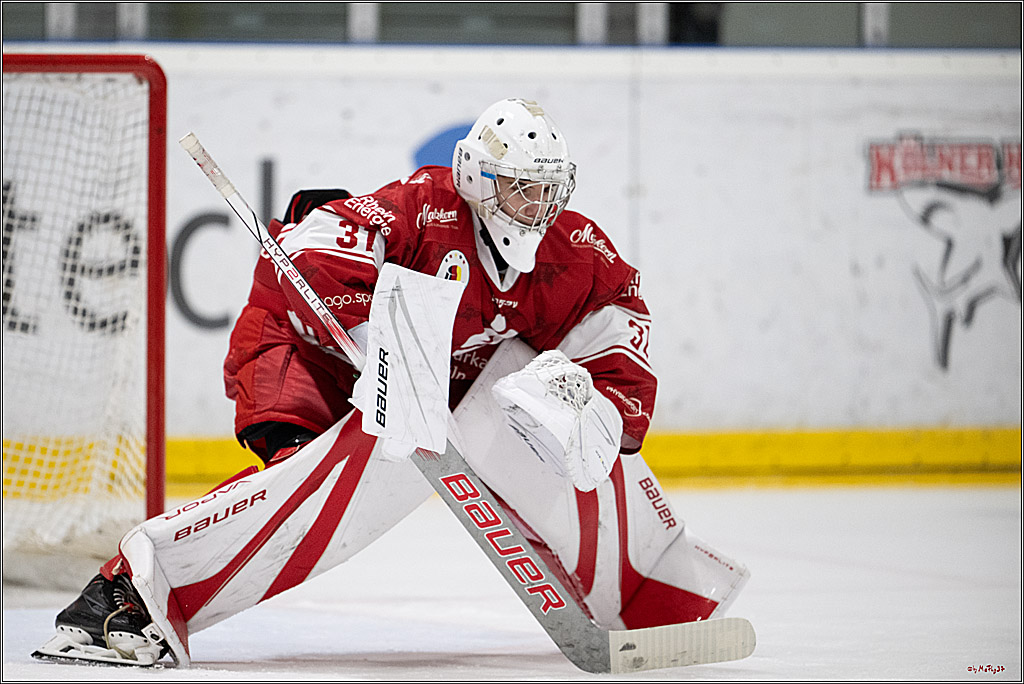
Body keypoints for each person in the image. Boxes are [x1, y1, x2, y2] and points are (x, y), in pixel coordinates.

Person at [34, 98, 748, 667]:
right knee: (307, 489)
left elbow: (618, 315)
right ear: (480, 180)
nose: (536, 206)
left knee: (555, 402)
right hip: (297, 356)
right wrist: (377, 338)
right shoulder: (423, 208)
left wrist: (606, 409)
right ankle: (127, 592)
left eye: (546, 190)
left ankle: (652, 585)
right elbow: (309, 247)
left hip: (423, 385)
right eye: (521, 189)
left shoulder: (570, 250)